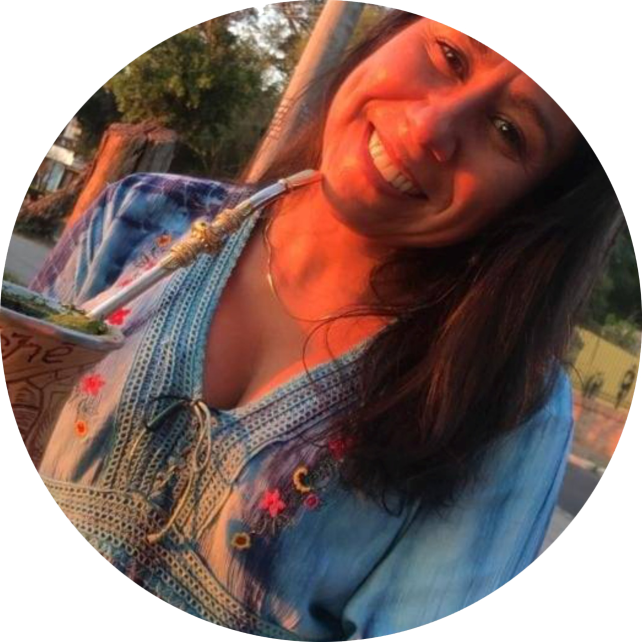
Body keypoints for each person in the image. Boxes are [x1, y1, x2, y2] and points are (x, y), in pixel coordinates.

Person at [24, 10, 621, 640]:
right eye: (449, 56)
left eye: (507, 131)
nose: (429, 127)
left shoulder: (510, 407)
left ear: (535, 205)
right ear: (391, 34)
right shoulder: (140, 217)